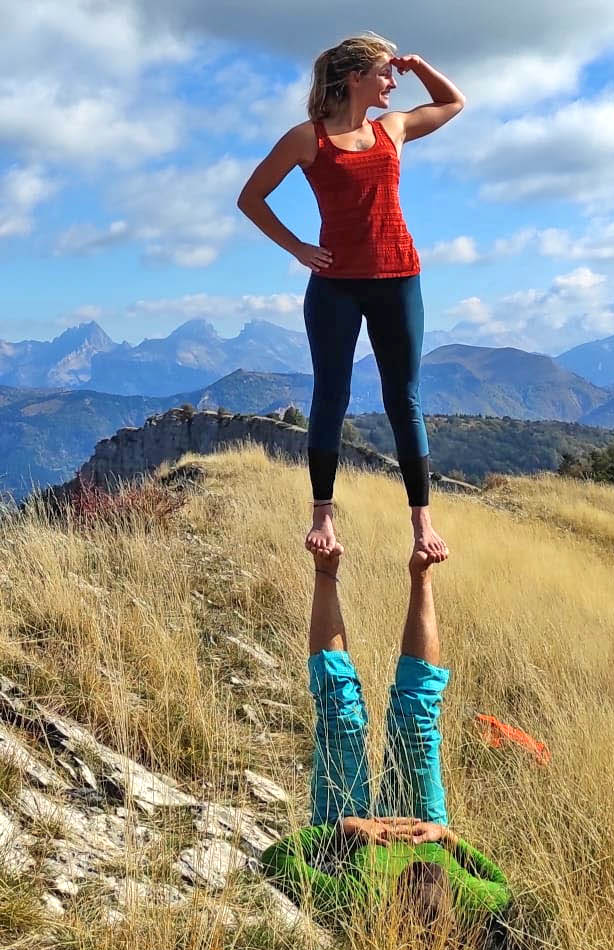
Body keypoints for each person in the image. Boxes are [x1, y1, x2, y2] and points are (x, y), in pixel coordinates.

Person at [236, 32, 464, 560]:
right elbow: (250, 197)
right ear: (355, 76)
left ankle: (421, 524)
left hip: (398, 277)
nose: (393, 82)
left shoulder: (394, 129)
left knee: (403, 398)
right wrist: (297, 248)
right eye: (386, 72)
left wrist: (418, 63)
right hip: (335, 287)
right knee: (331, 395)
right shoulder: (307, 138)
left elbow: (453, 103)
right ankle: (323, 517)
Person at [259, 544, 510, 933]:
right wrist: (446, 836)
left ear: (393, 905)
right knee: (416, 716)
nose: (423, 875)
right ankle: (422, 575)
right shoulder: (469, 898)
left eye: (414, 884)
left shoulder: (360, 899)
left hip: (345, 834)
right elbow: (502, 888)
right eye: (434, 882)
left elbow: (277, 860)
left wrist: (348, 829)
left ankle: (326, 569)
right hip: (420, 822)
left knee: (339, 709)